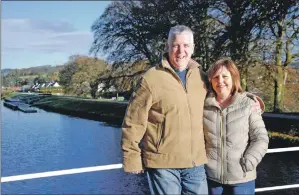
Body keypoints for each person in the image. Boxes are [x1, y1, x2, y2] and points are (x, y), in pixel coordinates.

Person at [121, 25, 209, 194]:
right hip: (163, 165)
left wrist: (251, 100)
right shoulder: (151, 78)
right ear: (167, 46)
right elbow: (133, 121)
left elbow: (226, 93)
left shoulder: (201, 76)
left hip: (195, 163)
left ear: (193, 47)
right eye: (175, 45)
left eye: (186, 45)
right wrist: (131, 157)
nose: (180, 51)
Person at [203, 58, 269, 195]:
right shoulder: (204, 106)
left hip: (242, 179)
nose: (220, 81)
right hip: (211, 178)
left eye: (225, 76)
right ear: (210, 80)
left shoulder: (248, 104)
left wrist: (249, 161)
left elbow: (261, 138)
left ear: (233, 78)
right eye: (215, 77)